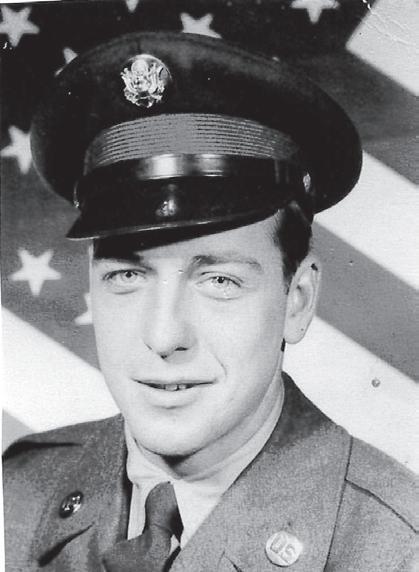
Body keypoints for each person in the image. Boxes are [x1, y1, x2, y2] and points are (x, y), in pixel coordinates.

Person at [3, 31, 417, 571]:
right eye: (127, 274)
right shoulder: (17, 493)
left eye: (219, 280)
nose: (164, 336)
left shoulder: (397, 548)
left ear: (297, 301)